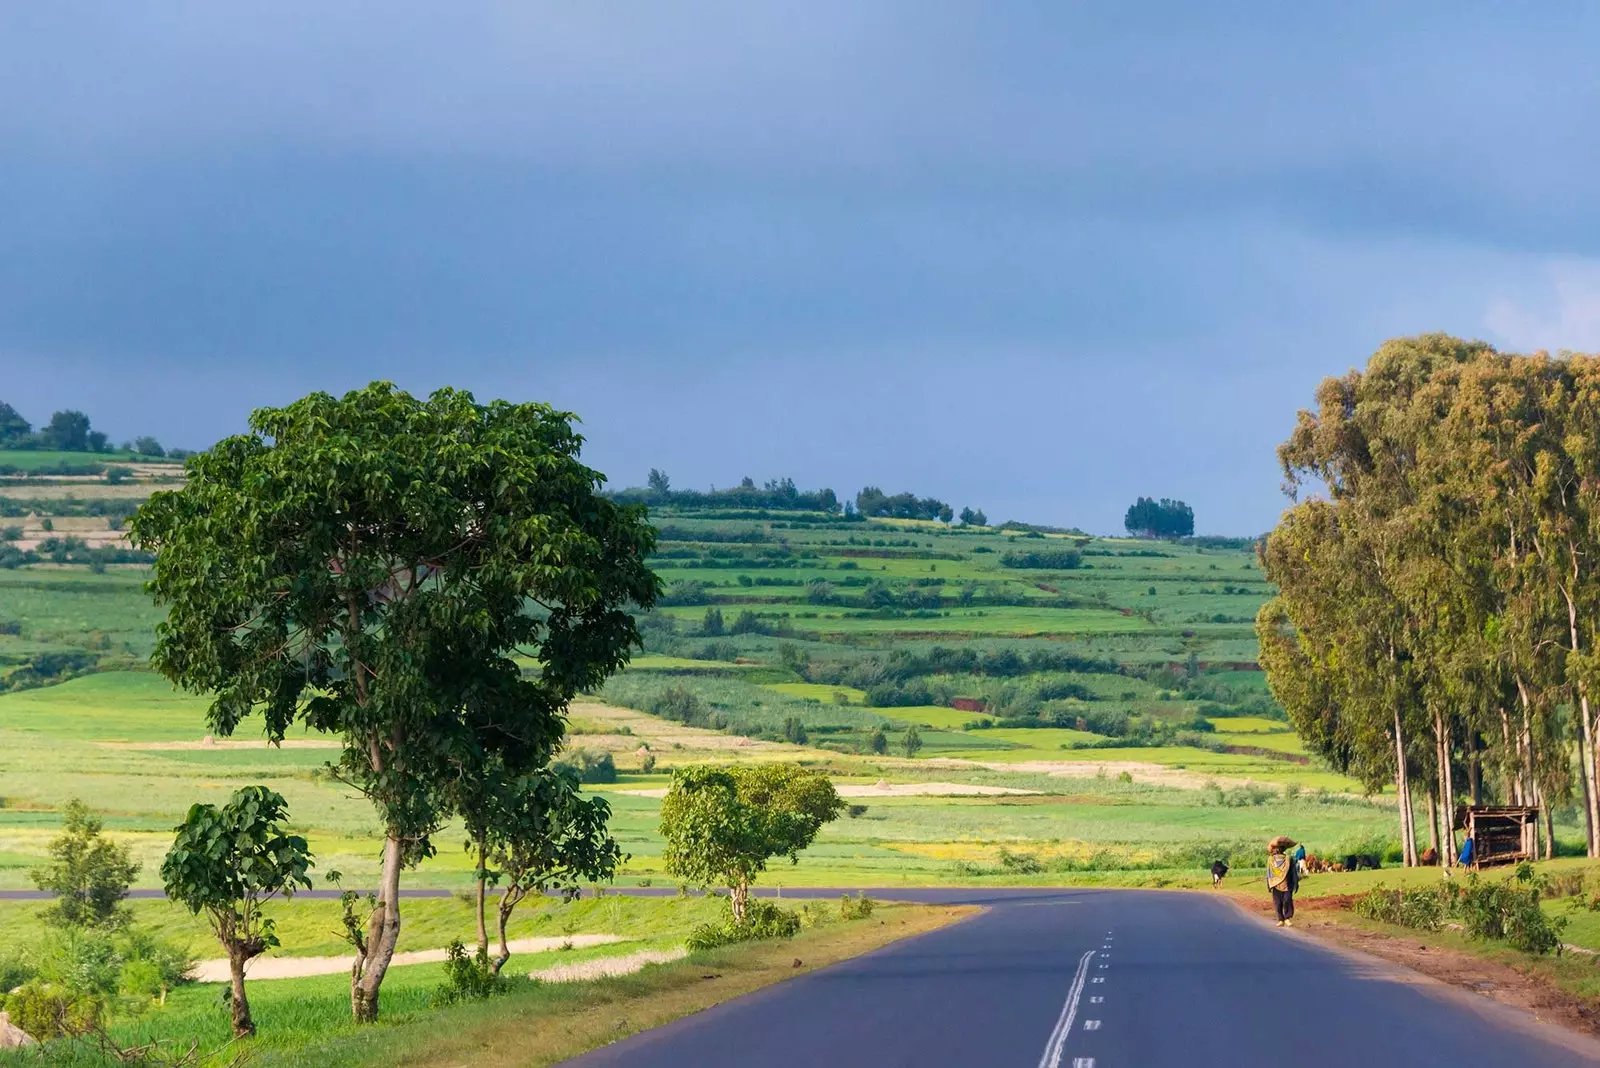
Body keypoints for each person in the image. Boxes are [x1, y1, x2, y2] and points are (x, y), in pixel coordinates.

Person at [1267, 840, 1299, 927]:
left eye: (1280, 848)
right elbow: (1269, 873)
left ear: (1283, 849)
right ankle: (1281, 919)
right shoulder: (1271, 860)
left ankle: (1287, 918)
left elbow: (1293, 872)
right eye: (1277, 849)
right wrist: (1268, 884)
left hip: (1287, 884)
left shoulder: (1288, 859)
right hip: (1275, 885)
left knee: (1287, 901)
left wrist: (1296, 883)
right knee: (1277, 903)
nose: (1278, 850)